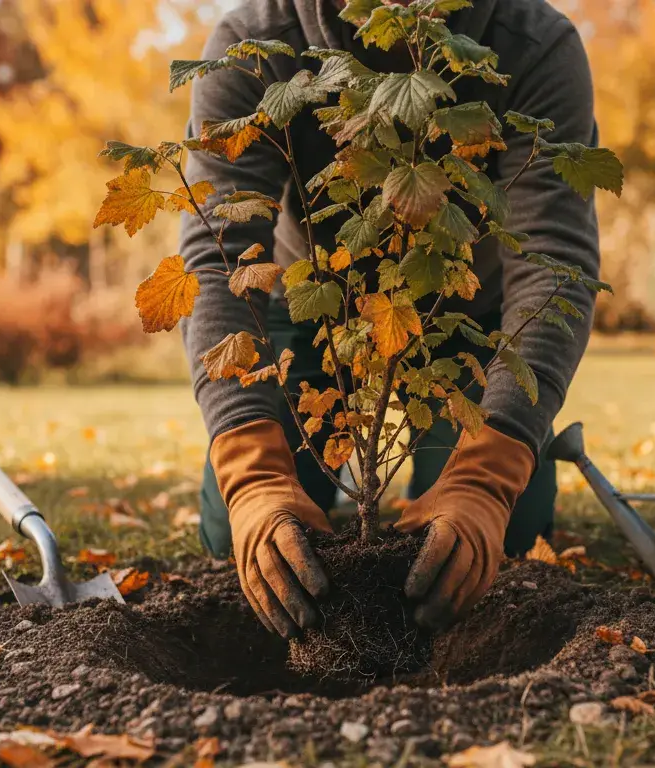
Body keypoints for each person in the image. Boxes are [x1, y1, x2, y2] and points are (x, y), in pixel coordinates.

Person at [179, 0, 600, 638]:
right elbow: (220, 258)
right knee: (232, 536)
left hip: (466, 316)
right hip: (312, 309)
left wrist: (488, 479)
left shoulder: (534, 44)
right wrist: (253, 475)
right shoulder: (253, 45)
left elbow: (553, 261)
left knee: (504, 531)